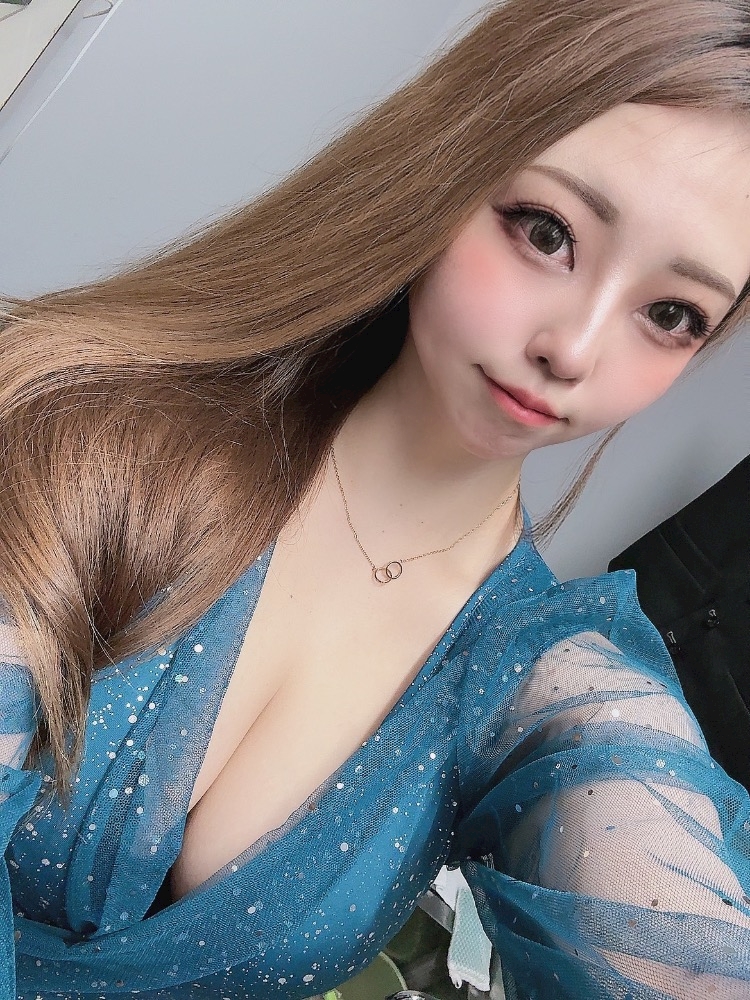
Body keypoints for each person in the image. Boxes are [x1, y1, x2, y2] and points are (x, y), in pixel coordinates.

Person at [1, 0, 750, 997]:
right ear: (449, 166)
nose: (572, 348)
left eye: (672, 313)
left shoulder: (548, 680)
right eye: (547, 233)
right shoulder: (82, 430)